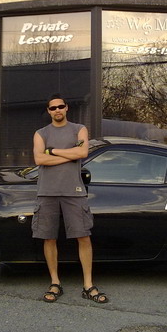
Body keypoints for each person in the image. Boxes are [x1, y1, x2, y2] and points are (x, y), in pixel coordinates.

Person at [32, 94, 108, 305]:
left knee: (83, 236)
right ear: (48, 111)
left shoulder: (79, 129)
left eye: (60, 106)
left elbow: (82, 152)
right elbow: (39, 159)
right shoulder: (41, 133)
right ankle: (55, 282)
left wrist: (53, 151)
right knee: (49, 238)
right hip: (47, 191)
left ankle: (88, 285)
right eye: (53, 107)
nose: (57, 110)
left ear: (67, 108)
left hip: (74, 192)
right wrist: (69, 153)